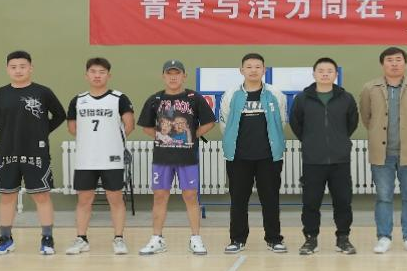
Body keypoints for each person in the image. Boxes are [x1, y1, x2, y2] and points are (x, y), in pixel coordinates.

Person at [0, 50, 67, 255]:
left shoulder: (43, 92)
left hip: (36, 153)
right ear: (7, 69)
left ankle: (47, 238)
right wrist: (9, 133)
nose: (18, 70)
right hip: (8, 153)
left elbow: (60, 115)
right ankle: (6, 238)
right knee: (7, 196)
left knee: (41, 195)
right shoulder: (0, 94)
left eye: (22, 66)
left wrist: (41, 131)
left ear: (31, 68)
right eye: (13, 67)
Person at [136, 60, 216, 255]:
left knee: (190, 196)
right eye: (169, 73)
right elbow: (146, 126)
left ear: (184, 76)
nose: (173, 77)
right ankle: (157, 238)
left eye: (177, 73)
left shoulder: (194, 98)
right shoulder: (155, 99)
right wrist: (163, 137)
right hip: (162, 157)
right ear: (163, 76)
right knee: (160, 196)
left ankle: (196, 238)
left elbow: (209, 122)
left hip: (187, 157)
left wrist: (192, 136)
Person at [359, 46, 407, 253]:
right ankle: (384, 237)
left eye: (398, 60)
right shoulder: (370, 88)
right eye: (390, 60)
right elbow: (367, 117)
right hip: (382, 154)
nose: (394, 64)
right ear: (383, 64)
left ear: (405, 63)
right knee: (383, 197)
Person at [65, 57, 135, 255]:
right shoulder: (78, 100)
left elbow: (129, 125)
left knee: (116, 199)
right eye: (93, 72)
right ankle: (81, 239)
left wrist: (111, 140)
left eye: (102, 72)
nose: (97, 75)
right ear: (86, 75)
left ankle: (119, 239)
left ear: (108, 75)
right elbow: (72, 128)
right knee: (84, 200)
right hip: (85, 159)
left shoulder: (119, 98)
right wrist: (92, 141)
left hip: (111, 159)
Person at [288, 57, 359, 255]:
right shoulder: (302, 98)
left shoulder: (346, 98)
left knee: (343, 201)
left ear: (336, 74)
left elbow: (351, 123)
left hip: (340, 160)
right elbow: (296, 124)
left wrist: (339, 140)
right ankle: (310, 239)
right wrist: (311, 141)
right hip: (313, 160)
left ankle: (343, 238)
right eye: (321, 71)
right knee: (311, 202)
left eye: (329, 71)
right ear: (314, 74)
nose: (325, 74)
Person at [219, 53, 288, 254]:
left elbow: (281, 122)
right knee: (238, 200)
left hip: (269, 157)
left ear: (264, 70)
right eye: (249, 67)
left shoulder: (275, 94)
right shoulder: (231, 94)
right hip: (238, 157)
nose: (253, 70)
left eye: (258, 67)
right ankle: (237, 239)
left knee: (270, 199)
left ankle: (274, 239)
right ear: (241, 70)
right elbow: (225, 124)